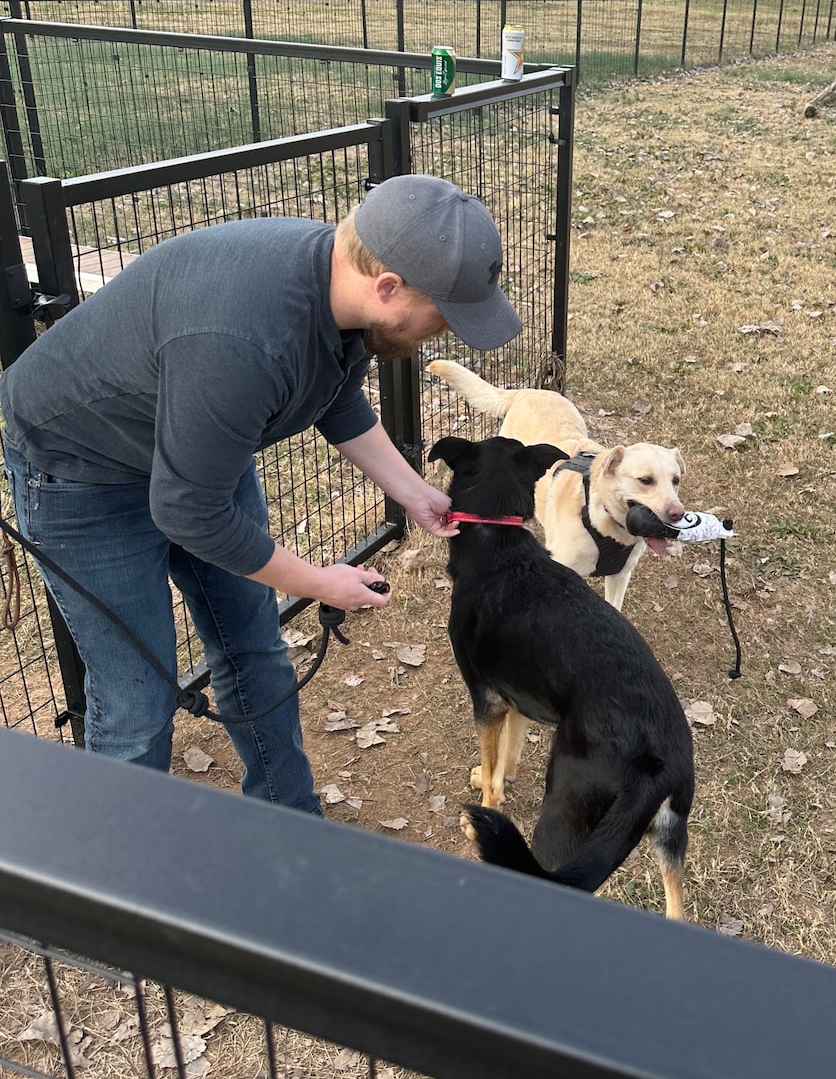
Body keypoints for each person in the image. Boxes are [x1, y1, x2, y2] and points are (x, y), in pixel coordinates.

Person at [0, 174, 520, 814]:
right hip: (82, 469)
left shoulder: (343, 299)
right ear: (388, 286)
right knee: (139, 701)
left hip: (197, 461)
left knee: (255, 652)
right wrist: (319, 583)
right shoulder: (244, 339)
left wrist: (413, 493)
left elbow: (335, 399)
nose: (443, 334)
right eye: (443, 318)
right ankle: (117, 882)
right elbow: (189, 512)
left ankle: (289, 825)